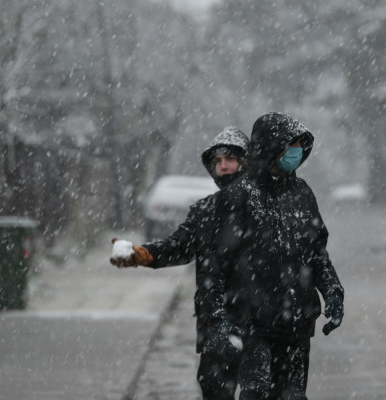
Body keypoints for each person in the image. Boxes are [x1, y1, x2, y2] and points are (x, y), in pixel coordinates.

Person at [199, 112, 345, 400]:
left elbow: (317, 253)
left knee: (293, 395)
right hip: (253, 323)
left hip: (298, 323)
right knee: (257, 392)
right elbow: (215, 266)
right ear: (270, 147)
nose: (296, 153)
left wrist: (333, 292)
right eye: (291, 146)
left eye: (300, 147)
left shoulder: (302, 193)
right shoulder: (240, 196)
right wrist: (217, 321)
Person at [109, 127, 250, 400]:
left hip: (259, 322)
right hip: (216, 320)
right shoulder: (206, 211)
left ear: (245, 162)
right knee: (213, 387)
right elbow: (179, 246)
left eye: (229, 159)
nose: (223, 166)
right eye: (217, 161)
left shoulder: (265, 208)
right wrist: (139, 254)